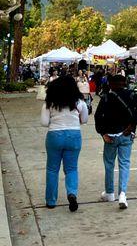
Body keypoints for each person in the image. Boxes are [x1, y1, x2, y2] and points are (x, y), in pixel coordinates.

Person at [95, 75, 137, 209]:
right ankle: (122, 193)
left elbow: (98, 116)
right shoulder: (132, 96)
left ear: (110, 84)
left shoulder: (106, 98)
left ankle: (110, 193)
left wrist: (102, 132)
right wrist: (132, 125)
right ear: (125, 83)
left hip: (110, 135)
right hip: (126, 134)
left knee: (109, 164)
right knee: (124, 164)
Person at [41, 75, 88, 211]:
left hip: (54, 135)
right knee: (71, 168)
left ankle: (51, 201)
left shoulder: (49, 103)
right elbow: (84, 120)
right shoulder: (79, 102)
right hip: (74, 135)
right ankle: (72, 194)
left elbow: (44, 122)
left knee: (52, 169)